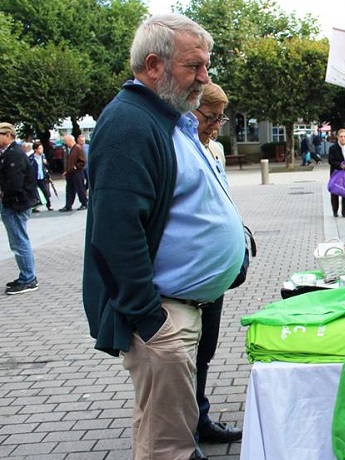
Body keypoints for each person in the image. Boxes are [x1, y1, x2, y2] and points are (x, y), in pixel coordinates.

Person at [82, 14, 245, 460]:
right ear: (154, 65)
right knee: (166, 448)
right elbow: (115, 234)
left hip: (178, 311)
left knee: (169, 439)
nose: (204, 78)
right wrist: (150, 320)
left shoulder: (164, 118)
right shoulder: (129, 124)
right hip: (163, 318)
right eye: (194, 67)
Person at [190, 82, 243, 445]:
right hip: (189, 275)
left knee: (205, 350)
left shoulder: (214, 150)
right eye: (210, 117)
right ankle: (184, 430)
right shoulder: (179, 147)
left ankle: (201, 417)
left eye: (220, 118)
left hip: (214, 275)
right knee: (184, 357)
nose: (215, 125)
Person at [0, 122, 40, 295]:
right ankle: (26, 276)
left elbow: (15, 183)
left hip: (16, 203)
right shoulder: (10, 153)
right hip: (16, 202)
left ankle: (28, 278)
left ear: (8, 135)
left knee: (19, 241)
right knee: (18, 240)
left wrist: (5, 199)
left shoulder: (14, 154)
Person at [328, 128, 345, 218]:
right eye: (341, 137)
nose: (343, 138)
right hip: (336, 173)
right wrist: (340, 165)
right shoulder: (333, 148)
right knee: (335, 192)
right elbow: (330, 161)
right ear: (337, 137)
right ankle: (335, 210)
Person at [58, 134, 88, 212]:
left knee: (80, 188)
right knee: (69, 189)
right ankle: (68, 205)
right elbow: (69, 161)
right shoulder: (69, 149)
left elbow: (83, 161)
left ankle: (84, 203)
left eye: (65, 141)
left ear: (70, 140)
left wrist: (76, 166)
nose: (65, 142)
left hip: (77, 172)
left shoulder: (78, 148)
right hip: (70, 173)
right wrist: (66, 170)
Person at [29, 141, 52, 211]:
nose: (41, 150)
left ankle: (49, 205)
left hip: (42, 177)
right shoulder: (31, 158)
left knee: (45, 191)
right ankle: (34, 207)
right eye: (40, 148)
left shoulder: (43, 156)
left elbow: (46, 167)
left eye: (42, 148)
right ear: (35, 149)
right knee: (34, 193)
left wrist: (46, 163)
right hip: (34, 178)